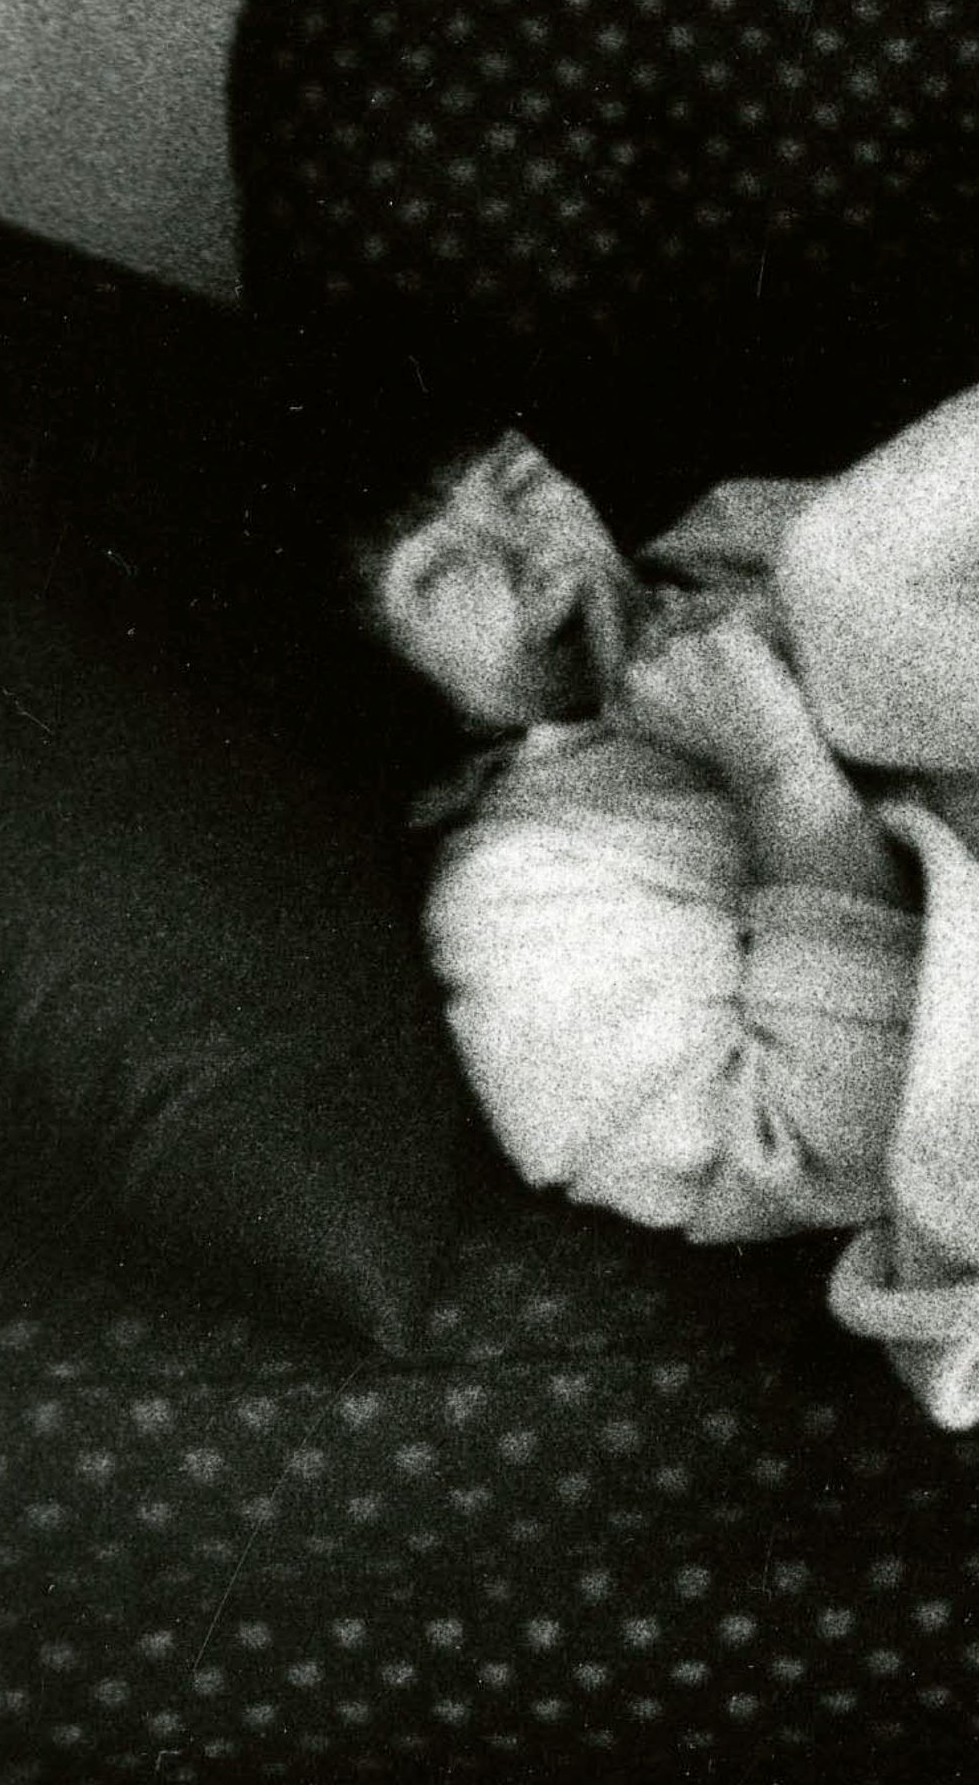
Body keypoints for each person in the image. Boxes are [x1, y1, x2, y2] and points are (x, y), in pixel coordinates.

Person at [316, 396, 922, 1243]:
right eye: (442, 569)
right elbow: (823, 1151)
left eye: (518, 483)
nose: (529, 547)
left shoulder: (737, 533)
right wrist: (772, 761)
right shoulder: (522, 890)